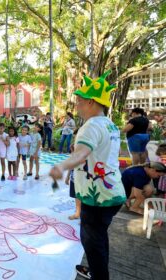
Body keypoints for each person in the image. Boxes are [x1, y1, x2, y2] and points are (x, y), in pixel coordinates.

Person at [49, 70, 127, 280]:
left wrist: (60, 167)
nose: (77, 106)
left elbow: (81, 154)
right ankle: (98, 271)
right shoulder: (110, 125)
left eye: (80, 102)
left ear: (92, 101)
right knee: (99, 239)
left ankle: (100, 275)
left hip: (98, 197)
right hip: (113, 192)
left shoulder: (90, 126)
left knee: (92, 242)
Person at [65, 129, 81, 220]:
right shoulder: (73, 146)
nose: (76, 138)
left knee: (84, 195)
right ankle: (77, 213)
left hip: (84, 175)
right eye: (75, 136)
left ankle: (84, 215)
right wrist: (67, 176)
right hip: (74, 174)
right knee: (76, 195)